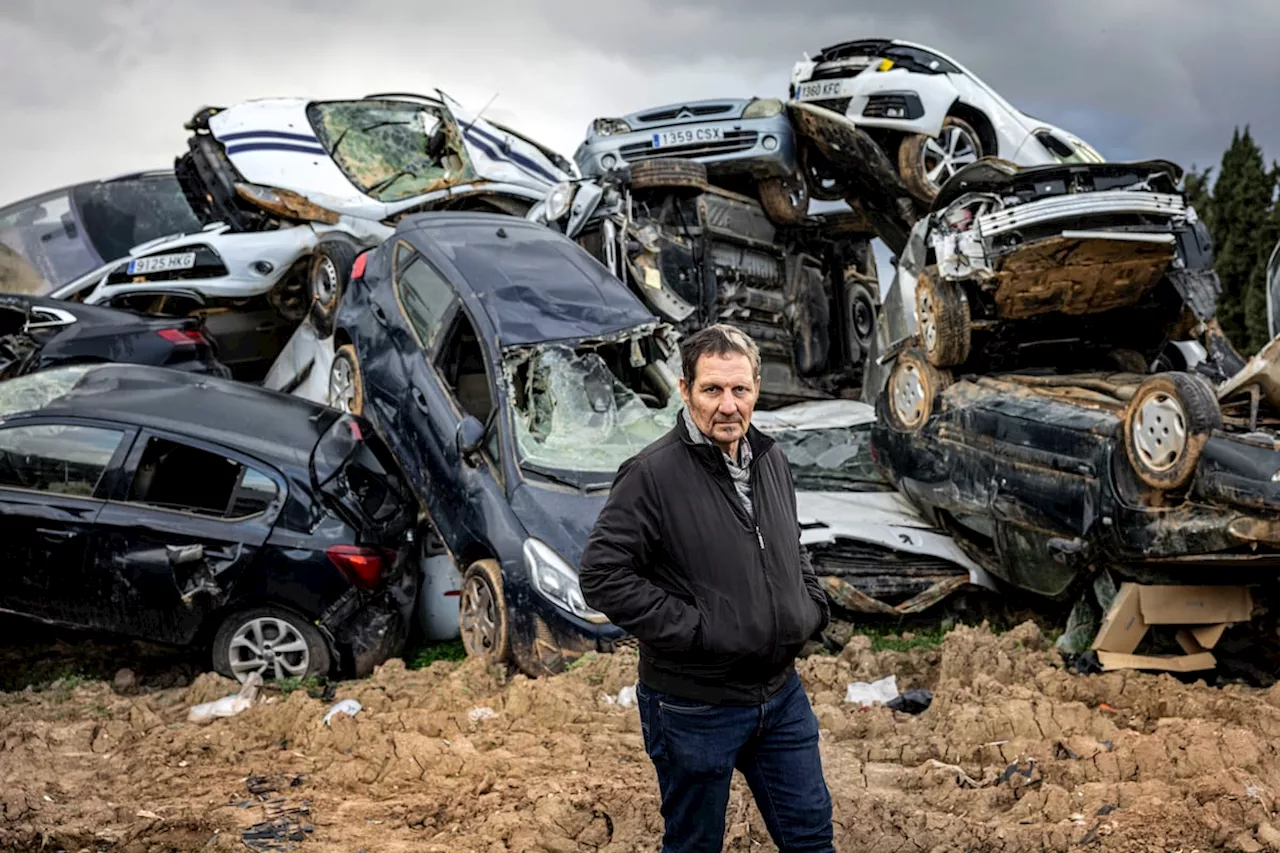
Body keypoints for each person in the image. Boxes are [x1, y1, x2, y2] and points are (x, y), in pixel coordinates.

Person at [579, 324, 835, 853]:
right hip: (694, 706)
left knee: (811, 838)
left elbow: (788, 541)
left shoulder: (769, 459)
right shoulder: (651, 475)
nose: (727, 405)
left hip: (780, 695)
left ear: (756, 390)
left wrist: (808, 603)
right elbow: (602, 575)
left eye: (739, 390)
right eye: (712, 389)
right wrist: (698, 631)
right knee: (695, 846)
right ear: (685, 390)